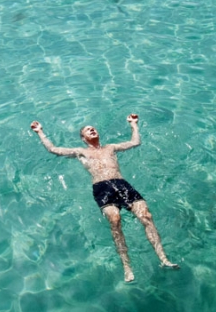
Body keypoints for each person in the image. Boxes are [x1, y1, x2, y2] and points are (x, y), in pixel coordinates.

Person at [30, 115, 179, 282]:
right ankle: (127, 266)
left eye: (93, 128)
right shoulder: (81, 152)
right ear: (83, 138)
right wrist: (40, 132)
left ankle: (163, 259)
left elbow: (135, 142)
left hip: (122, 184)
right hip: (102, 188)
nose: (92, 129)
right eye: (88, 130)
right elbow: (54, 149)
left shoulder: (111, 147)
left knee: (146, 216)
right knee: (115, 220)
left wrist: (134, 124)